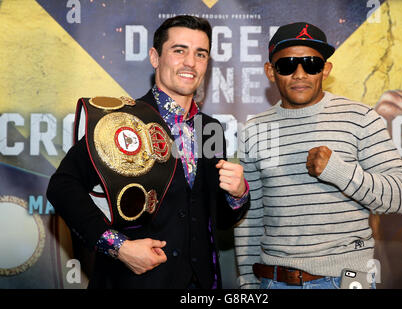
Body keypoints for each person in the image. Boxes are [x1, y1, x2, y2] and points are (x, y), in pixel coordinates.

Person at [47, 15, 250, 289]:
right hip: (131, 283)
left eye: (200, 54)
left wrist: (237, 195)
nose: (190, 62)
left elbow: (218, 219)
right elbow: (61, 186)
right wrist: (119, 247)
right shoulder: (121, 120)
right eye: (179, 50)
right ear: (155, 57)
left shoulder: (209, 129)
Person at [234, 22, 402, 289]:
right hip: (275, 281)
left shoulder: (360, 118)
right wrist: (248, 285)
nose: (300, 73)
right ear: (271, 72)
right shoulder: (254, 130)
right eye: (287, 65)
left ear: (326, 70)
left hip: (347, 280)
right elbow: (250, 218)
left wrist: (339, 172)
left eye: (311, 64)